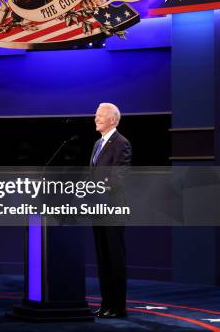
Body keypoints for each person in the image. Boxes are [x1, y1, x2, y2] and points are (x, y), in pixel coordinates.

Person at [90, 103, 132, 319]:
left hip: (113, 210)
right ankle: (106, 304)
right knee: (103, 258)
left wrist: (97, 186)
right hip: (97, 209)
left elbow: (119, 178)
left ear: (113, 120)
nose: (95, 119)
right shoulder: (97, 144)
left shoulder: (121, 143)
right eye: (96, 115)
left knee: (115, 258)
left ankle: (118, 307)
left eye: (100, 116)